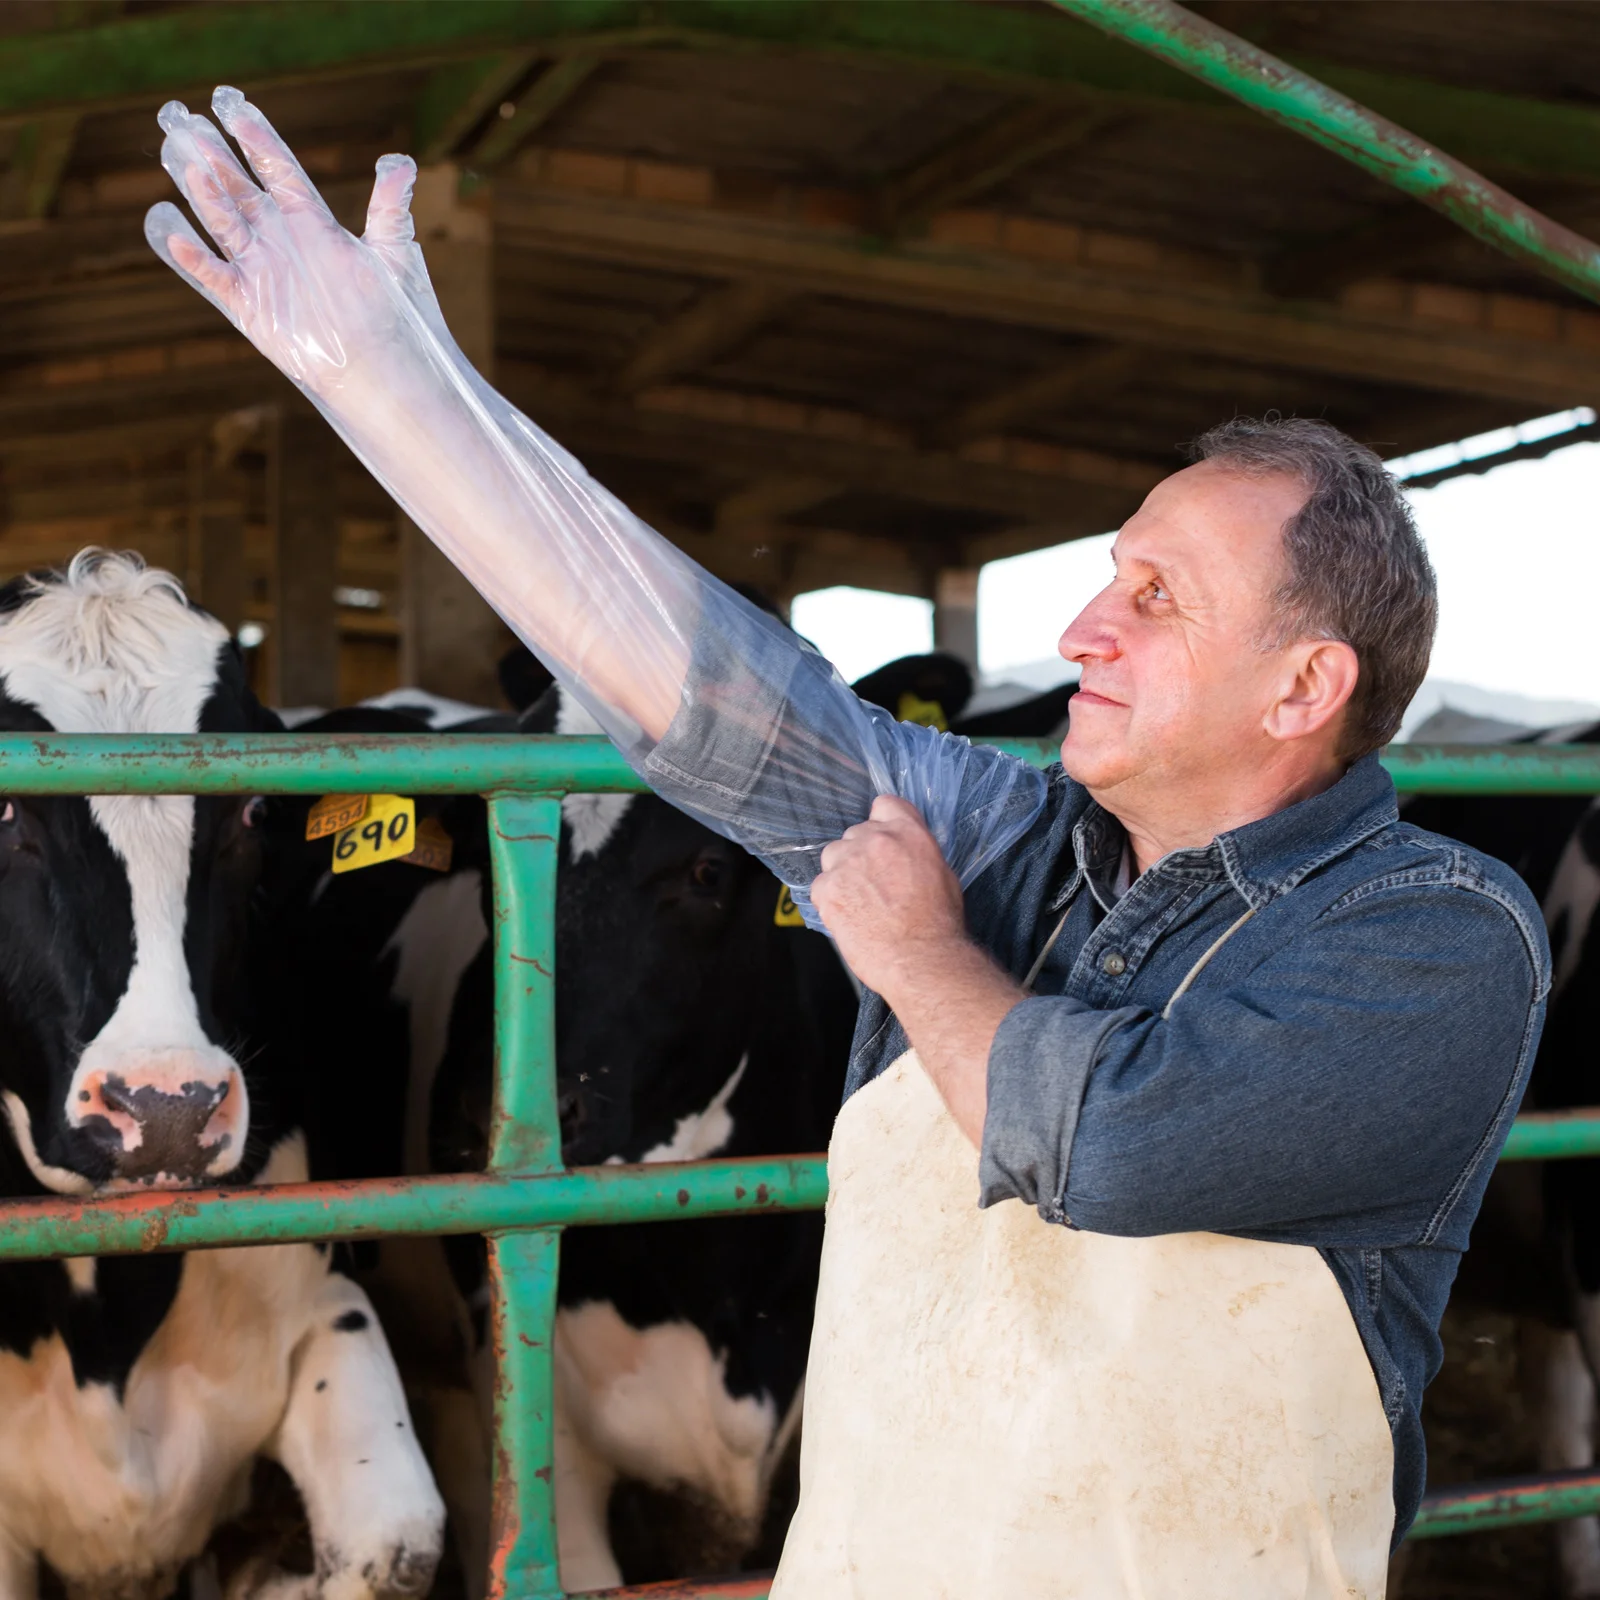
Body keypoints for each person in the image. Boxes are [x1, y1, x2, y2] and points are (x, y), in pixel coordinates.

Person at [145, 91, 1549, 1597]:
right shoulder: (1016, 845)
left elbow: (1118, 1144)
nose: (1083, 628)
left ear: (1306, 687)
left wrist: (914, 948)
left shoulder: (1436, 935)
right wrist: (397, 386)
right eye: (1104, 579)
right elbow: (709, 693)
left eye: (1156, 597)